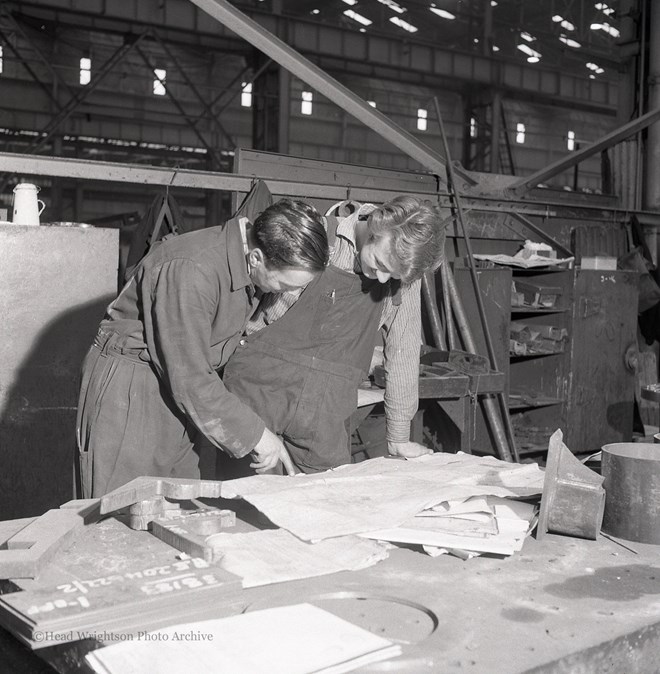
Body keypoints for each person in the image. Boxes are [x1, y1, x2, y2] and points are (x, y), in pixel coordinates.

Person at [76, 195, 329, 497]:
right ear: (257, 257)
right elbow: (190, 378)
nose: (287, 293)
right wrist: (256, 434)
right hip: (132, 392)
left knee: (179, 505)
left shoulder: (243, 266)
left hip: (176, 391)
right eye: (285, 285)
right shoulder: (192, 269)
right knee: (121, 508)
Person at [221, 195, 447, 474]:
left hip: (323, 419)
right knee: (241, 502)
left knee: (325, 506)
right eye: (380, 264)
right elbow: (252, 320)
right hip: (259, 395)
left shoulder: (400, 271)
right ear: (376, 229)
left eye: (394, 275)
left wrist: (399, 436)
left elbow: (404, 351)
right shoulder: (319, 237)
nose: (384, 280)